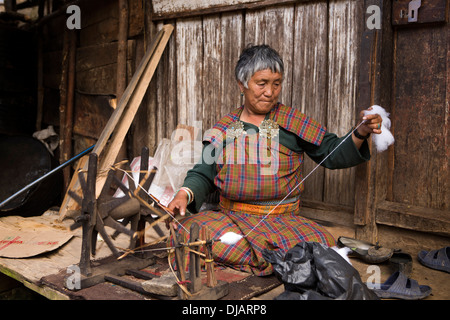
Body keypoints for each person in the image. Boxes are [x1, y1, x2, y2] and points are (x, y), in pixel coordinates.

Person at [167, 44, 382, 276]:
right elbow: (203, 172)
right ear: (242, 84)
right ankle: (276, 261)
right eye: (262, 83)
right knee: (184, 231)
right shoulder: (226, 129)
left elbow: (332, 153)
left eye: (276, 83)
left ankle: (263, 259)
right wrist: (184, 194)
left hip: (284, 222)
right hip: (232, 219)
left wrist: (360, 132)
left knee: (321, 243)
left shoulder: (292, 122)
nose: (270, 92)